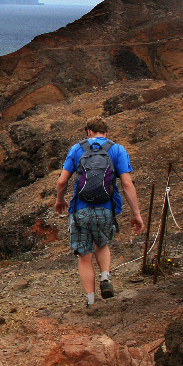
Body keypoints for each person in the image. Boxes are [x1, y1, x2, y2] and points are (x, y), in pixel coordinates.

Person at [54, 118, 145, 307]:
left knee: (85, 256)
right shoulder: (117, 150)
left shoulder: (77, 149)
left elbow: (62, 181)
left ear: (88, 131)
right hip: (106, 208)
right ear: (107, 132)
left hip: (80, 209)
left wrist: (60, 200)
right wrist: (136, 213)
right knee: (102, 245)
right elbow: (127, 184)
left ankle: (91, 301)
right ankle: (105, 278)